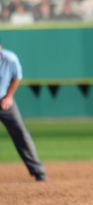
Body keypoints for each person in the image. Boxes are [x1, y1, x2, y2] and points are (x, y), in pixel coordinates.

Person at [0, 42, 47, 182]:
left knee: (20, 133)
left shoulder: (9, 59)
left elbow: (17, 77)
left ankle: (38, 171)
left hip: (4, 101)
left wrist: (9, 96)